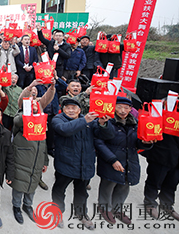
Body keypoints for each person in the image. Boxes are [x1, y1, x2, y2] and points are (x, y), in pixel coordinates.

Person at [51, 98, 114, 229]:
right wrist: (84, 120)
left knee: (82, 192)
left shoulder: (90, 121)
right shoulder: (58, 120)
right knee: (59, 189)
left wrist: (103, 124)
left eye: (74, 108)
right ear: (63, 110)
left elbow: (106, 135)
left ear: (79, 110)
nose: (71, 110)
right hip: (66, 164)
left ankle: (81, 214)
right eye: (68, 108)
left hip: (85, 164)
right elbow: (64, 130)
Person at [95, 97, 154, 225]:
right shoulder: (106, 120)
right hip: (111, 160)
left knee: (124, 185)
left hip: (129, 160)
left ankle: (117, 208)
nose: (123, 110)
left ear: (130, 109)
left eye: (126, 107)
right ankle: (105, 208)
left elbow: (137, 142)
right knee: (108, 186)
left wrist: (145, 143)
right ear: (113, 107)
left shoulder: (135, 123)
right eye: (119, 107)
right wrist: (113, 160)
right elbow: (99, 142)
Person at [11, 96, 50, 225]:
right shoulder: (21, 116)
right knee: (19, 182)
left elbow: (44, 140)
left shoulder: (42, 117)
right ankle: (16, 206)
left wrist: (45, 160)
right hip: (23, 155)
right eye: (31, 103)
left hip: (38, 156)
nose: (34, 105)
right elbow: (17, 122)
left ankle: (28, 205)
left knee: (33, 182)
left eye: (36, 104)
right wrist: (27, 110)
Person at [142, 117, 179, 221]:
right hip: (162, 152)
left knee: (172, 183)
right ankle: (150, 203)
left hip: (177, 158)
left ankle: (167, 205)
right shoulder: (167, 109)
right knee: (155, 180)